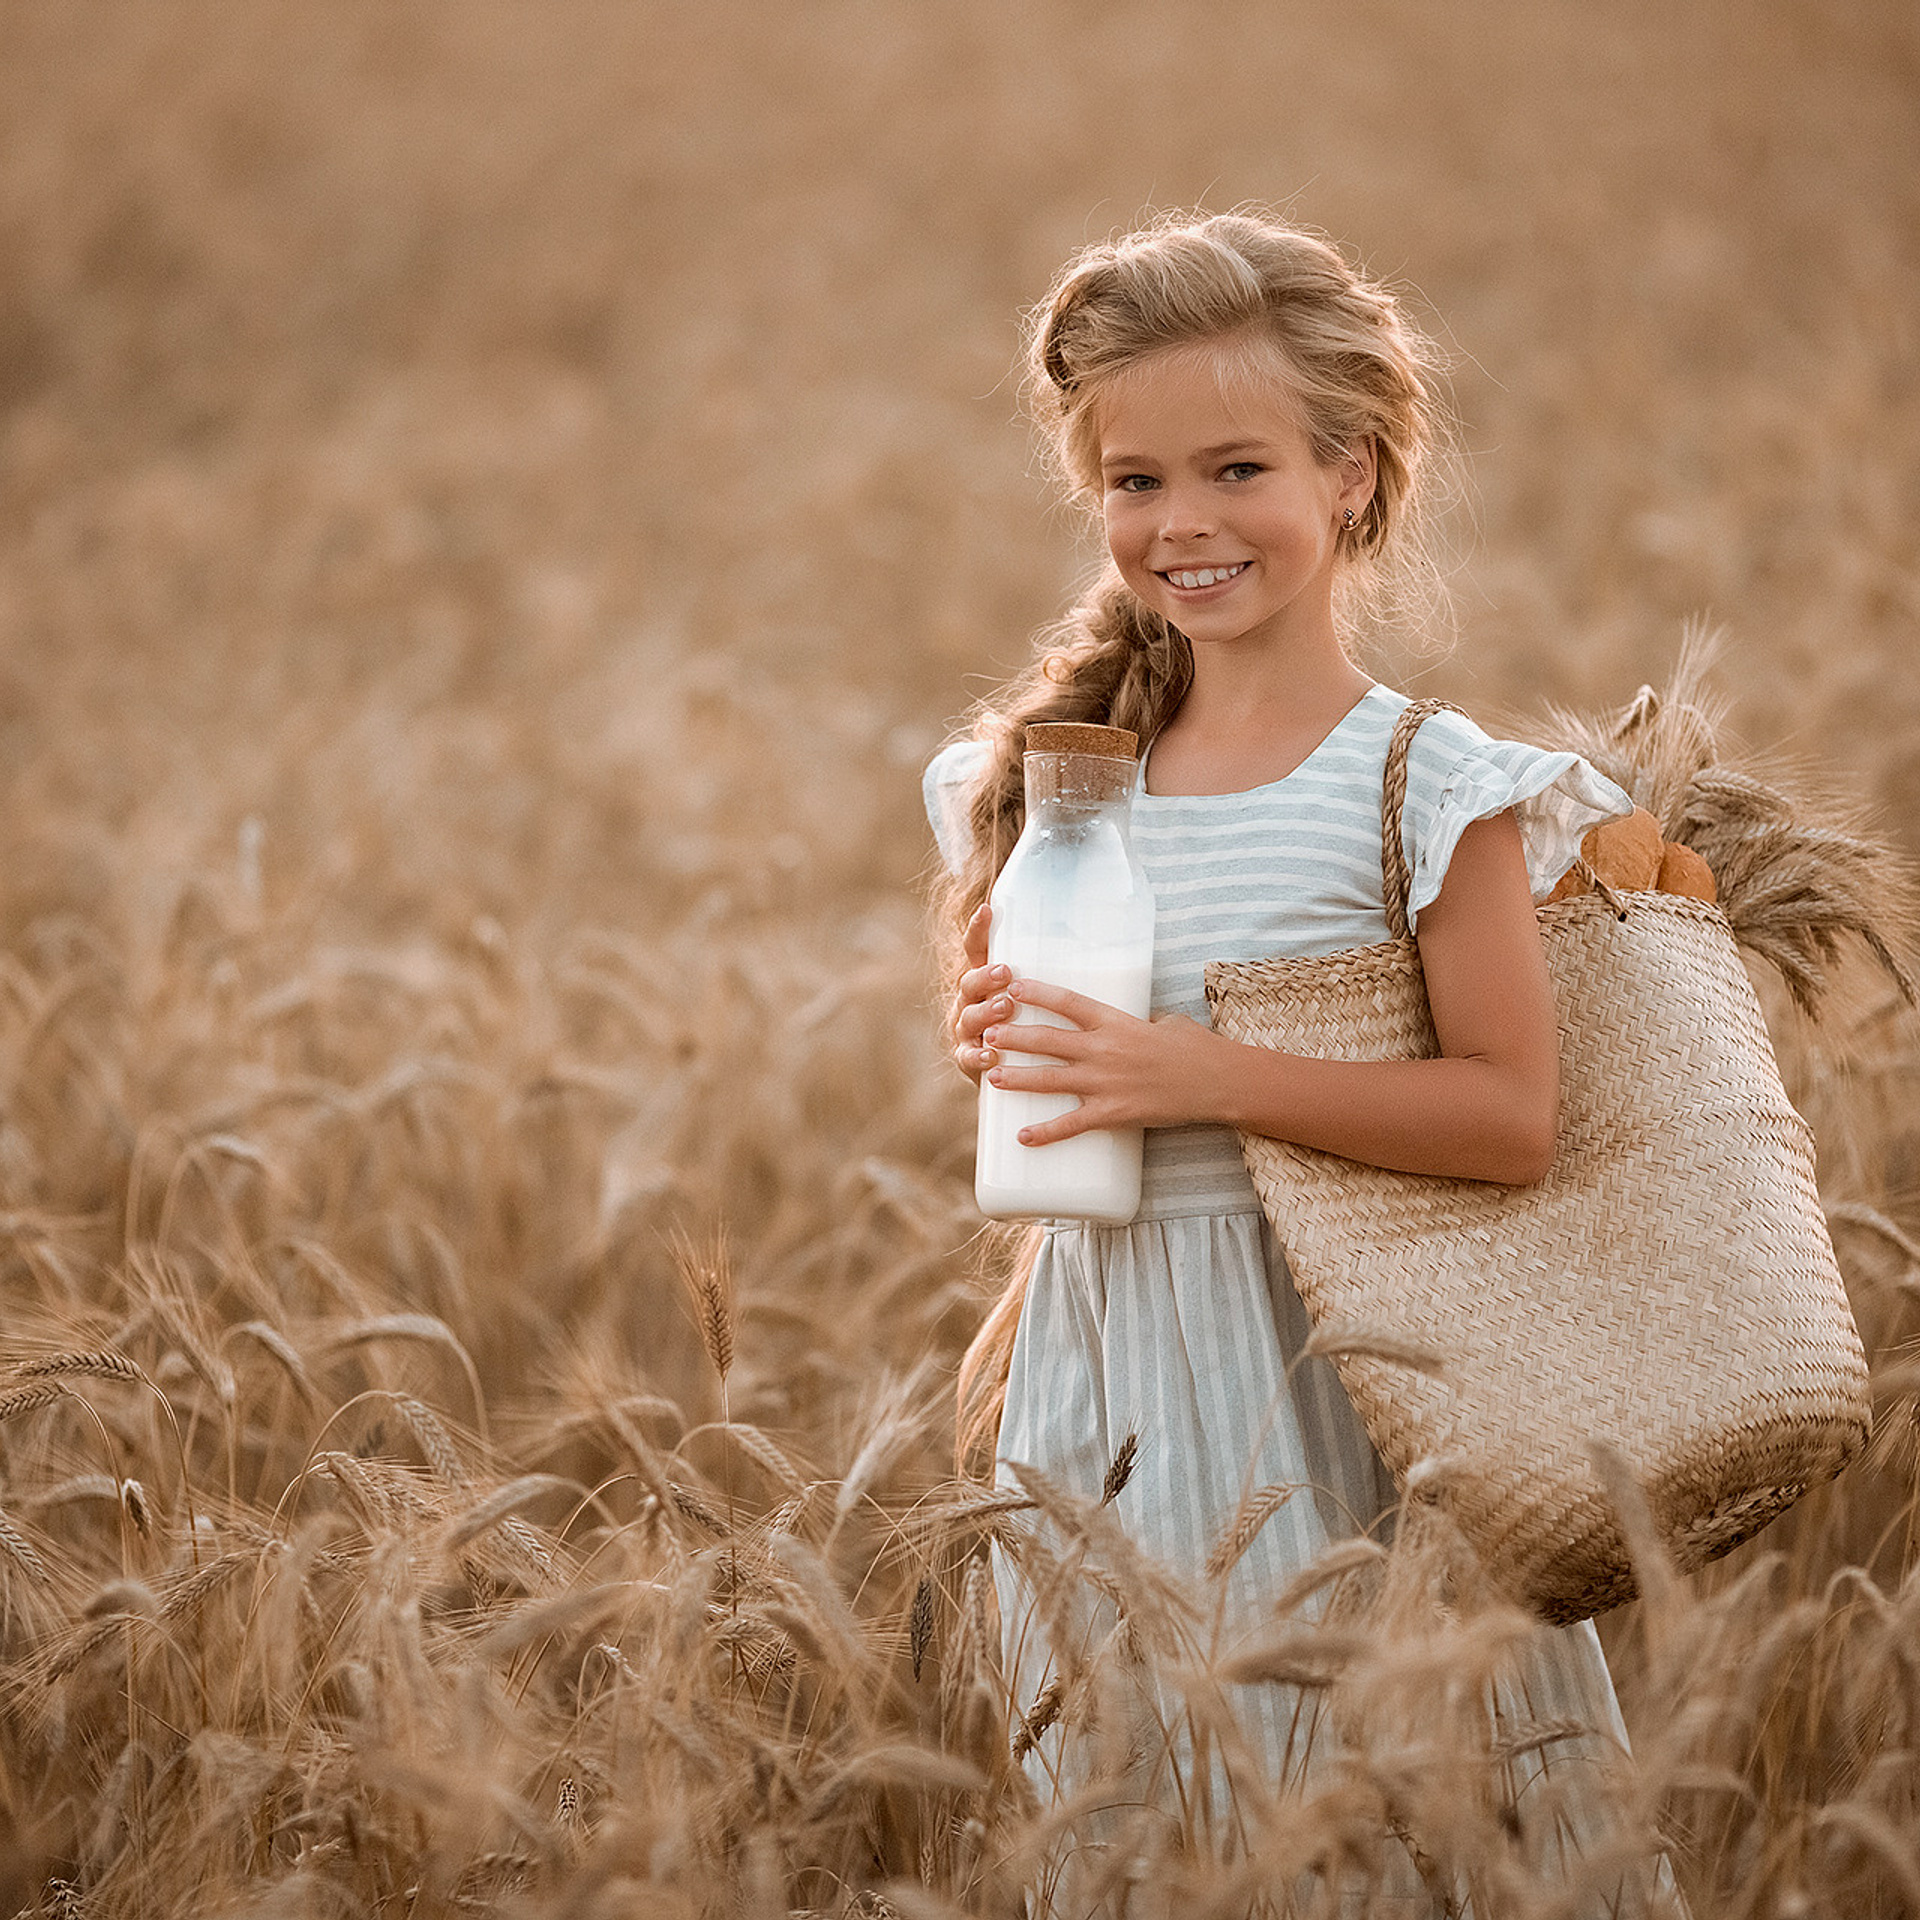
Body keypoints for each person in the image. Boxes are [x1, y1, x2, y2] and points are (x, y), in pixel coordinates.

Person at [923, 211, 1683, 1916]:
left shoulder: (1421, 784)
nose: (1181, 524)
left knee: (1381, 1831)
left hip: (1339, 1395)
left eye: (1237, 469)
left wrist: (1202, 1075)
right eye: (1134, 482)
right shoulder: (1062, 781)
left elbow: (1510, 1114)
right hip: (1098, 1392)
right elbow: (1083, 1080)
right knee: (1147, 1832)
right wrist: (1009, 1047)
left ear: (1353, 475)